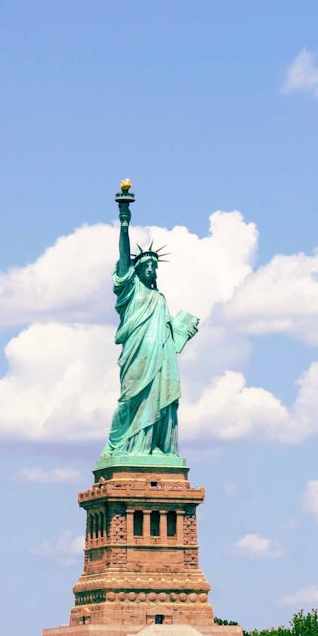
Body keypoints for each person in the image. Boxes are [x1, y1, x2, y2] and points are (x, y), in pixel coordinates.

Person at [100, 185, 198, 459]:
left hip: (162, 356)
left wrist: (183, 330)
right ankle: (127, 445)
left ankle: (156, 447)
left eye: (155, 266)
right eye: (147, 266)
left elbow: (170, 330)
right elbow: (123, 257)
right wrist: (124, 222)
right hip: (138, 354)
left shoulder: (160, 298)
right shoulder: (130, 289)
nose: (152, 270)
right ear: (137, 270)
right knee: (131, 398)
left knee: (162, 398)